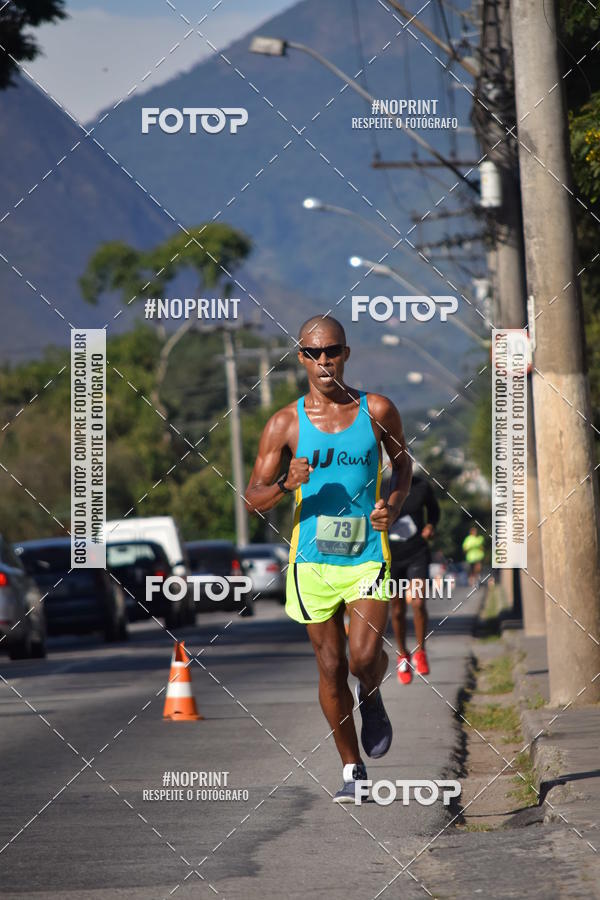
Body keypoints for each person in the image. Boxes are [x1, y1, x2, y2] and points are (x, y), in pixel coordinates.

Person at [245, 315, 412, 802]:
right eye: (314, 353)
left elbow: (402, 468)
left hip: (366, 554)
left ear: (346, 353)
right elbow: (252, 496)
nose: (324, 361)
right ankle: (351, 769)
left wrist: (392, 506)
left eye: (332, 351)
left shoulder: (376, 409)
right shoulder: (285, 423)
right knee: (331, 665)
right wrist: (285, 484)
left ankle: (373, 691)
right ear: (301, 359)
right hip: (311, 563)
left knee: (363, 656)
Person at [388, 473, 440, 685]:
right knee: (397, 609)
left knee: (418, 602)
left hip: (417, 552)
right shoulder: (380, 486)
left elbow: (434, 511)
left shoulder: (421, 486)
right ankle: (403, 654)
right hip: (391, 555)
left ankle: (421, 651)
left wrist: (430, 526)